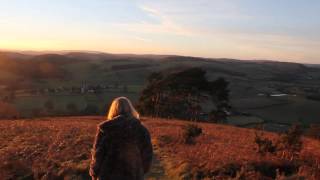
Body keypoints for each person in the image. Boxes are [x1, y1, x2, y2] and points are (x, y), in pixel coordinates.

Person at [89, 97, 153, 180]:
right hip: (133, 175)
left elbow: (98, 154)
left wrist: (94, 173)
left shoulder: (105, 129)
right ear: (130, 109)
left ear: (112, 110)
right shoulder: (141, 129)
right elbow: (147, 154)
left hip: (107, 175)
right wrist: (140, 171)